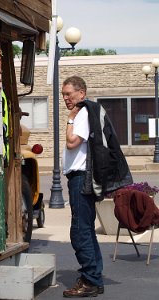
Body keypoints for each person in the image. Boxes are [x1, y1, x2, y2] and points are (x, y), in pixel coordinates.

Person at [61, 76, 104, 298]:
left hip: (81, 178)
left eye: (69, 93)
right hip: (78, 177)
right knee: (86, 229)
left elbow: (71, 143)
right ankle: (94, 278)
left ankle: (89, 280)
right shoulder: (84, 113)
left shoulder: (83, 114)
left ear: (82, 94)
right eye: (63, 95)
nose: (66, 98)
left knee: (79, 231)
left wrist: (70, 119)